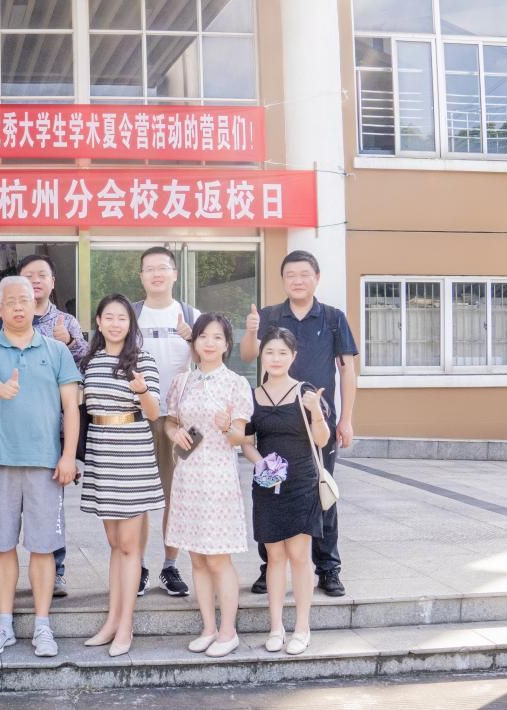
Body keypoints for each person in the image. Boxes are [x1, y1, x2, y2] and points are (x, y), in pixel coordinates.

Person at [0, 276, 82, 658]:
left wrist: (68, 456)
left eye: (25, 300)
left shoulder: (56, 350)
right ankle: (3, 624)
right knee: (2, 545)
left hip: (45, 464)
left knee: (43, 547)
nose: (19, 306)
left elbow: (71, 408)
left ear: (35, 305)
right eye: (11, 301)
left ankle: (42, 625)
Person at [239, 250, 358, 598]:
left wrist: (346, 419)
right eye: (290, 275)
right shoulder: (270, 315)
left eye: (305, 274)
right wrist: (251, 331)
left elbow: (347, 371)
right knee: (271, 488)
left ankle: (328, 568)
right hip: (275, 419)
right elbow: (248, 354)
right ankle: (270, 566)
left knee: (321, 493)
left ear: (316, 278)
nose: (298, 280)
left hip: (317, 421)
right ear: (283, 280)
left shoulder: (333, 318)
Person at [164, 313, 252, 659]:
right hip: (188, 477)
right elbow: (170, 423)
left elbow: (239, 437)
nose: (209, 343)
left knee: (217, 558)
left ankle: (229, 631)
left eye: (217, 337)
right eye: (203, 336)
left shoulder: (235, 384)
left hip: (217, 478)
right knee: (197, 558)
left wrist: (228, 425)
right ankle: (208, 628)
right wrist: (176, 433)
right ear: (195, 342)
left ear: (227, 344)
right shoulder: (183, 381)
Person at [78, 295, 162, 657]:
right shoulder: (89, 361)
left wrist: (141, 390)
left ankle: (126, 625)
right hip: (101, 451)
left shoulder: (142, 360)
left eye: (122, 318)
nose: (115, 324)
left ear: (131, 324)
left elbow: (154, 413)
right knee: (115, 543)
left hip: (132, 452)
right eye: (109, 317)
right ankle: (112, 621)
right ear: (98, 321)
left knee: (129, 546)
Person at [241, 328, 330, 656]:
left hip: (301, 483)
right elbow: (247, 443)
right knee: (274, 557)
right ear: (261, 356)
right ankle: (276, 627)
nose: (275, 359)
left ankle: (302, 628)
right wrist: (261, 463)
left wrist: (316, 410)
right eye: (270, 352)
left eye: (282, 353)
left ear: (293, 357)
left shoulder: (305, 392)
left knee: (299, 556)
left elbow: (321, 440)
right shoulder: (252, 396)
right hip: (267, 483)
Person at [134, 246, 200, 598]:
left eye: (163, 268)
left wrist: (192, 338)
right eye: (150, 268)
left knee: (176, 495)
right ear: (141, 276)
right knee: (137, 496)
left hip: (178, 419)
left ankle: (170, 565)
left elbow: (210, 361)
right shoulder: (131, 315)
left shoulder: (191, 315)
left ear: (174, 274)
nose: (156, 274)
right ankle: (139, 566)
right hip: (136, 416)